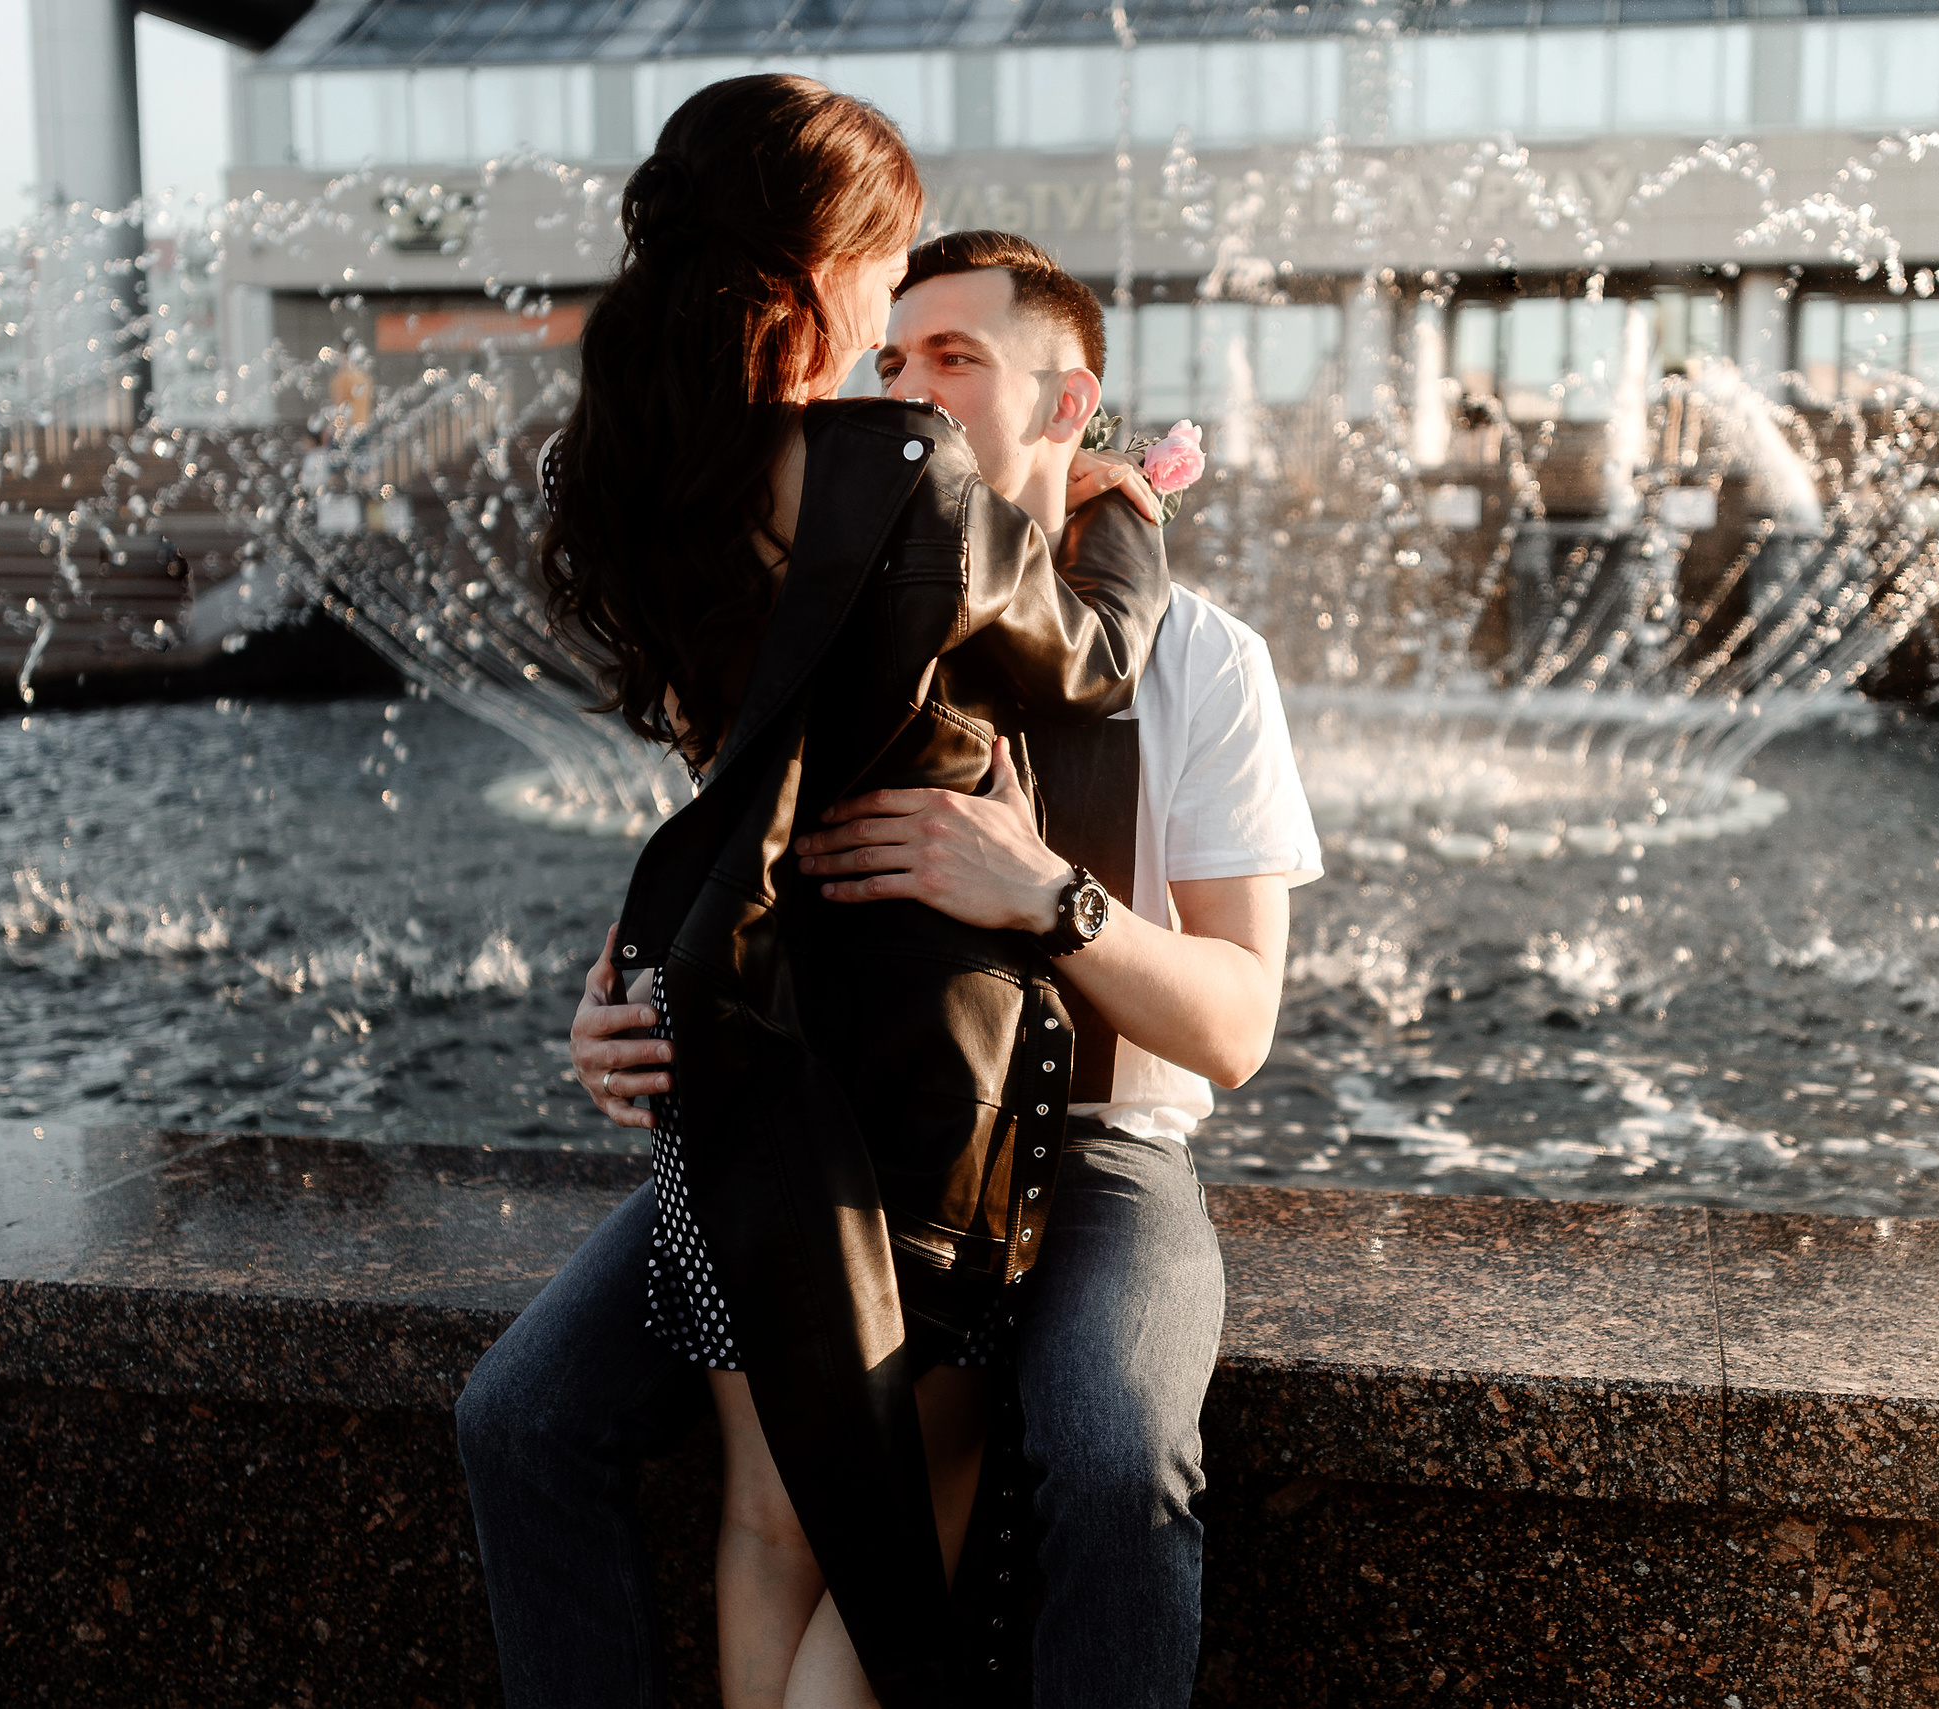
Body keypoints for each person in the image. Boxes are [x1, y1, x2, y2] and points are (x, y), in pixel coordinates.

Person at [461, 224, 1319, 1709]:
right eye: (895, 355)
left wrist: (1049, 898)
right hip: (823, 1116)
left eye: (956, 359)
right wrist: (612, 1014)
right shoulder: (842, 591)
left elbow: (1238, 1026)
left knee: (1116, 1452)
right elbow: (727, 853)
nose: (907, 387)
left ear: (1068, 402)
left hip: (1097, 1146)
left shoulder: (1202, 660)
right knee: (521, 1414)